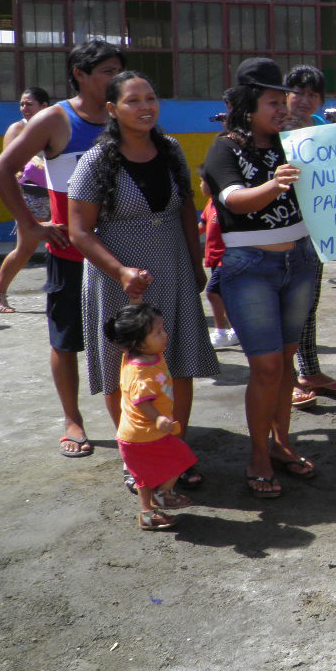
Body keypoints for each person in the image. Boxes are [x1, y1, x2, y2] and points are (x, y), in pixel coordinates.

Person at [67, 70, 219, 494]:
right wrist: (120, 272)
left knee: (180, 359)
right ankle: (135, 457)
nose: (145, 107)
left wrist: (195, 262)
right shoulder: (96, 161)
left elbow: (187, 208)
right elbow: (79, 231)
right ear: (113, 110)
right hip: (117, 278)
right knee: (123, 368)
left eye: (151, 98)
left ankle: (174, 451)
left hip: (171, 269)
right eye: (133, 100)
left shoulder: (169, 149)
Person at [0, 39, 125, 458]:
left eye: (119, 70)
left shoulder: (126, 114)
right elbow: (1, 170)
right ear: (80, 75)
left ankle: (133, 422)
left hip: (122, 255)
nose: (116, 79)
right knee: (66, 341)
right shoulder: (55, 119)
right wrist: (32, 225)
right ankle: (73, 419)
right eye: (107, 71)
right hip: (71, 255)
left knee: (130, 341)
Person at [201, 58, 320, 499]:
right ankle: (258, 455)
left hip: (301, 262)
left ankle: (282, 444)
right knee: (266, 366)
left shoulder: (296, 143)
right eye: (273, 101)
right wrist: (275, 184)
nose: (282, 108)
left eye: (283, 101)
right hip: (249, 268)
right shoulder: (224, 149)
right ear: (249, 106)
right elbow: (235, 201)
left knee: (284, 362)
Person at [282, 64, 336, 405]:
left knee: (309, 301)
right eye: (299, 93)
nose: (305, 101)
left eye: (313, 95)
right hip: (280, 230)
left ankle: (308, 370)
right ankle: (287, 378)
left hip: (315, 229)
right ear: (285, 95)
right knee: (284, 304)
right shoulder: (274, 129)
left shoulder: (322, 128)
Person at [104, 302, 197, 531]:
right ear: (137, 343)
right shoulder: (141, 372)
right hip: (142, 434)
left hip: (142, 433)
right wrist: (157, 419)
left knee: (153, 472)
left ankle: (154, 505)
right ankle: (156, 503)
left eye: (162, 329)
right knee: (174, 462)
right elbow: (142, 401)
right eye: (157, 333)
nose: (164, 335)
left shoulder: (145, 354)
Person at [0, 87, 53, 313]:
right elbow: (8, 165)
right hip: (30, 197)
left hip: (57, 195)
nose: (24, 108)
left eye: (29, 104)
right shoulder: (17, 129)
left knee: (68, 242)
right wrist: (33, 162)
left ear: (44, 106)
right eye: (22, 104)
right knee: (26, 248)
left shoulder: (55, 126)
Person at [198, 175, 238, 348]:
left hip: (226, 259)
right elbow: (201, 227)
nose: (200, 185)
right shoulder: (210, 204)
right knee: (225, 296)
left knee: (213, 293)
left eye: (203, 181)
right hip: (214, 259)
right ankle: (236, 331)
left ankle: (221, 331)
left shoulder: (226, 205)